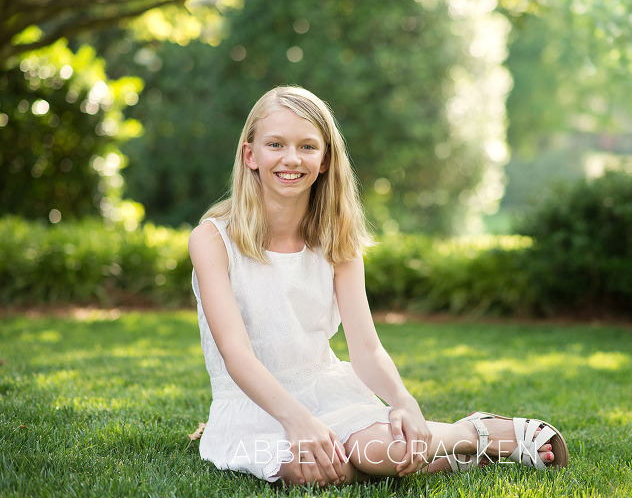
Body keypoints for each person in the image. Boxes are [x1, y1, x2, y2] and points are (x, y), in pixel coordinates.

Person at [188, 85, 569, 487]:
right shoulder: (213, 239)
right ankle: (461, 453)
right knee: (313, 471)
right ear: (251, 155)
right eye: (276, 144)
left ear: (324, 160)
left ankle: (476, 433)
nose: (291, 159)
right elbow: (236, 354)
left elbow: (366, 348)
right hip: (250, 406)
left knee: (380, 451)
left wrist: (403, 401)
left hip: (323, 390)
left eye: (307, 147)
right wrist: (299, 422)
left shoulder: (337, 239)